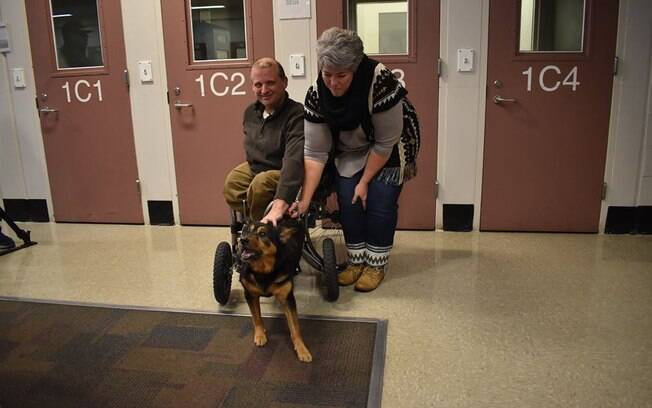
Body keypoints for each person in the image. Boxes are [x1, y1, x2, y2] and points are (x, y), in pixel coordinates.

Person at [290, 27, 420, 292]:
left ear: (356, 68)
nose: (334, 83)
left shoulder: (380, 81)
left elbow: (385, 143)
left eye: (342, 76)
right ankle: (355, 262)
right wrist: (304, 201)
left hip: (390, 146)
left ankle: (375, 265)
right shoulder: (316, 93)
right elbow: (315, 153)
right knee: (349, 204)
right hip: (350, 148)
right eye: (327, 75)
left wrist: (365, 181)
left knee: (380, 204)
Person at [223, 58, 304, 225]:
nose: (264, 90)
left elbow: (293, 160)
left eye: (270, 83)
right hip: (257, 167)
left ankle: (262, 231)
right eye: (258, 85)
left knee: (260, 185)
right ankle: (257, 219)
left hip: (284, 169)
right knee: (232, 184)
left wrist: (283, 197)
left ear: (284, 82)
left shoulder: (297, 114)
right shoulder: (250, 113)